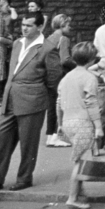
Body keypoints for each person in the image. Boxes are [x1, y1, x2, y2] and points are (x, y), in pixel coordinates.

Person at [0, 12, 49, 192]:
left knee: (28, 142)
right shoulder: (17, 44)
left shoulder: (46, 47)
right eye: (23, 24)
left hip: (32, 100)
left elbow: (53, 78)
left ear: (39, 27)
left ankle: (24, 178)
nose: (24, 28)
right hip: (11, 98)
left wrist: (41, 96)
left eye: (29, 25)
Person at [56, 42, 105, 209]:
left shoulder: (66, 77)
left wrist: (60, 123)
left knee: (79, 159)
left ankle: (79, 192)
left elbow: (58, 102)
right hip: (83, 122)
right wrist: (98, 126)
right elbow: (91, 103)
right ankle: (72, 197)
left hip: (68, 121)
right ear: (92, 59)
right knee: (80, 161)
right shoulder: (90, 78)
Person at [40, 14, 73, 146]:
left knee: (52, 106)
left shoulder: (48, 38)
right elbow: (65, 60)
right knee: (59, 106)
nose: (70, 28)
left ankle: (51, 135)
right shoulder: (63, 39)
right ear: (63, 25)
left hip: (48, 75)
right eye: (69, 25)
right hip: (59, 75)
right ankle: (57, 135)